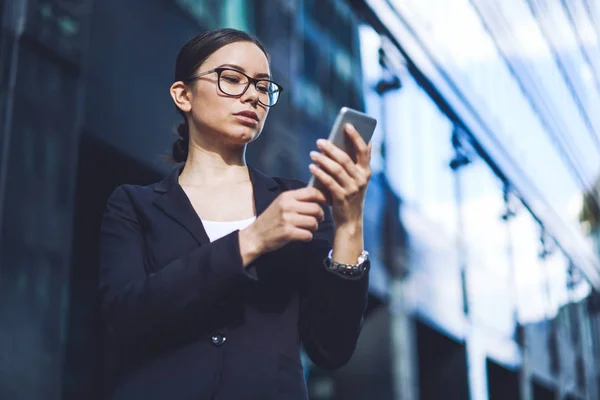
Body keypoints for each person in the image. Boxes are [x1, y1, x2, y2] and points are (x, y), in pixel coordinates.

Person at [98, 28, 372, 400]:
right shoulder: (134, 205)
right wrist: (252, 240)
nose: (252, 96)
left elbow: (331, 347)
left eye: (263, 86)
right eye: (231, 79)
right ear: (183, 95)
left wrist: (350, 223)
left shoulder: (297, 200)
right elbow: (123, 318)